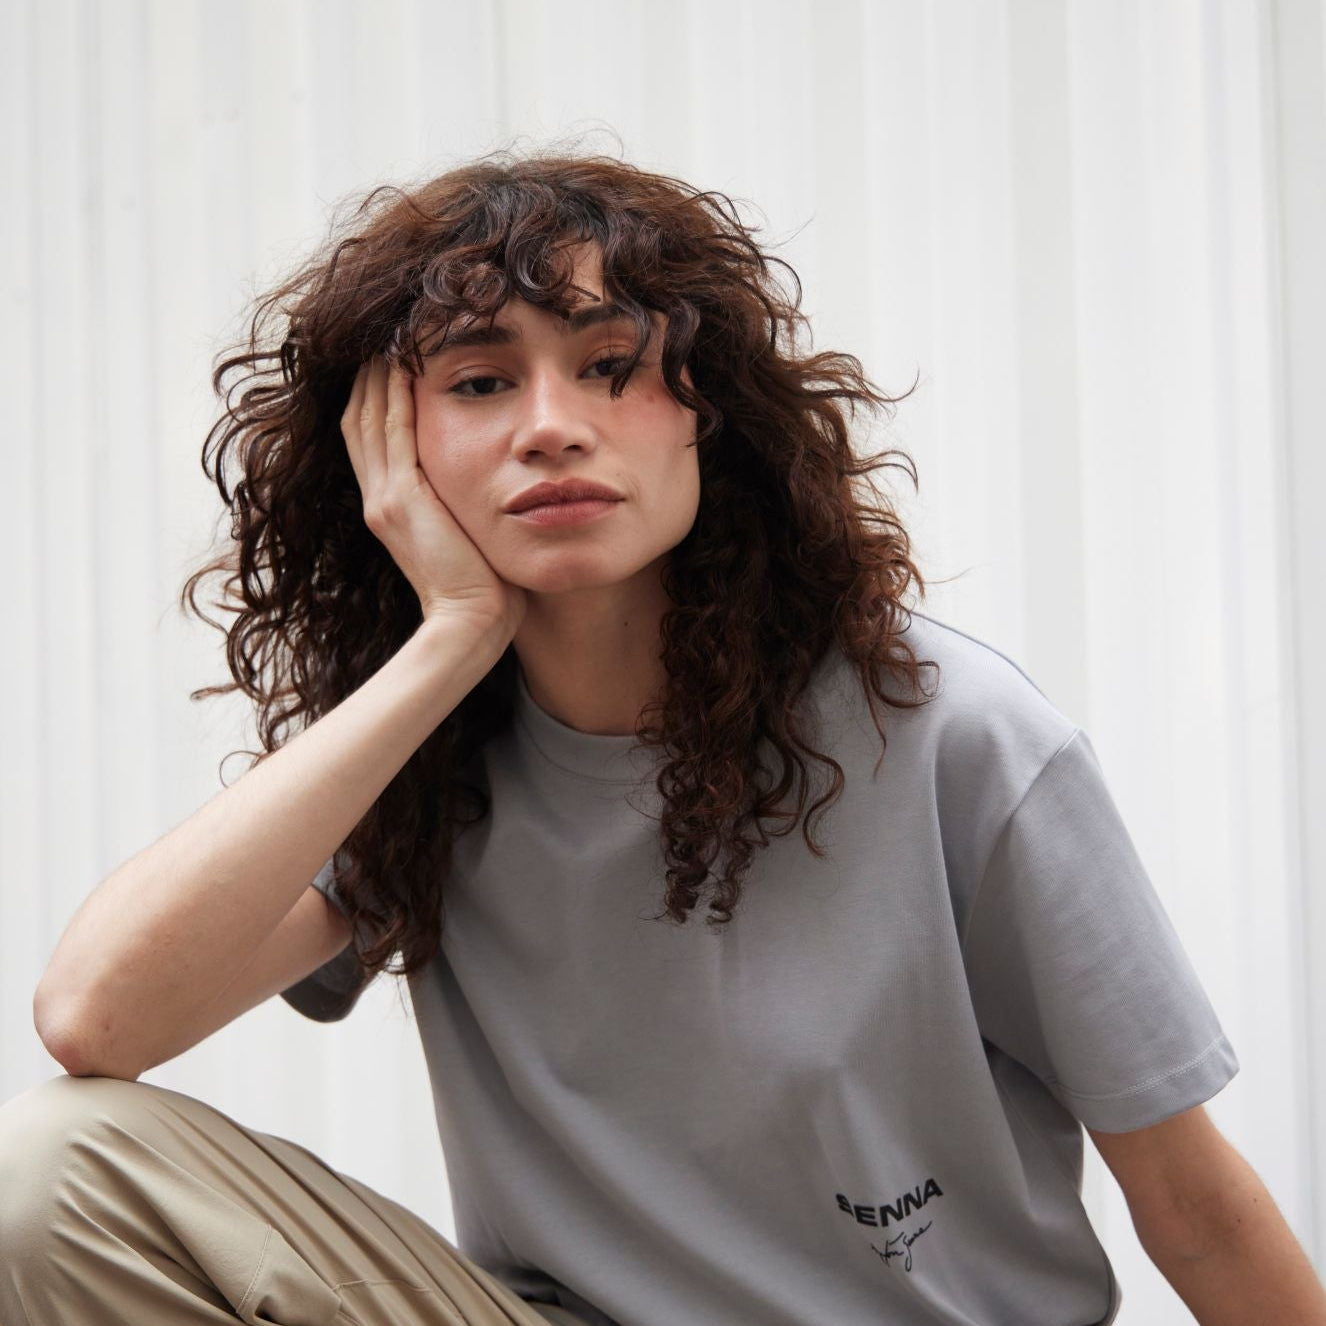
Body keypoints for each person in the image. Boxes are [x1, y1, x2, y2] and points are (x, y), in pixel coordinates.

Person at [2, 146, 1323, 1326]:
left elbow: (1192, 1201)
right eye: (478, 381)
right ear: (392, 454)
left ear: (705, 410)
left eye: (609, 366)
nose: (550, 425)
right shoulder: (432, 760)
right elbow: (96, 1018)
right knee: (47, 1174)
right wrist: (452, 636)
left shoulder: (954, 740)